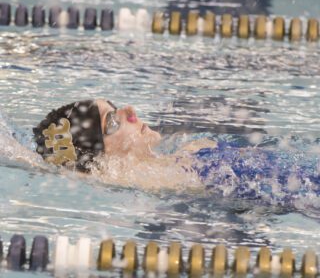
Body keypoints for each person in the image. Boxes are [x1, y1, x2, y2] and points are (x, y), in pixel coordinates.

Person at [33, 99, 320, 203]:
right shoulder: (147, 180)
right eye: (113, 121)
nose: (131, 111)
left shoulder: (166, 166)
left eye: (116, 105)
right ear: (99, 160)